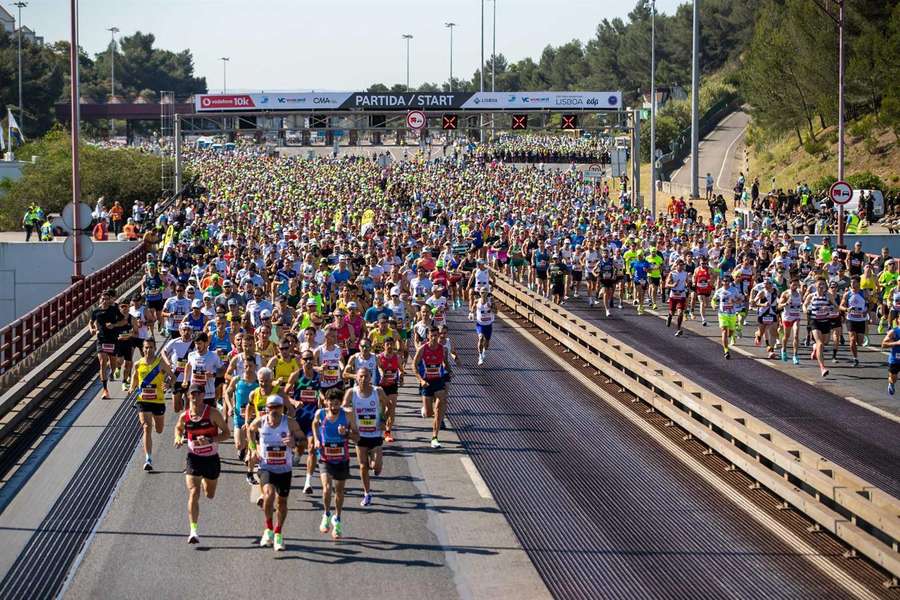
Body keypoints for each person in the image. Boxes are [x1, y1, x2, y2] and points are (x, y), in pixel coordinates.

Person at [174, 384, 230, 544]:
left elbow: (226, 433)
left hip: (211, 459)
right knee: (193, 492)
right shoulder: (184, 416)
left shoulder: (212, 413)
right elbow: (178, 428)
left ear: (203, 395)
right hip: (194, 458)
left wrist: (211, 440)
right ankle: (193, 531)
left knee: (209, 494)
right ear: (188, 396)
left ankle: (207, 481)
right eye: (192, 394)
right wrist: (177, 438)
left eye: (198, 394)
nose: (195, 397)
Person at [248, 394, 303, 552]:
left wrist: (295, 444)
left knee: (282, 503)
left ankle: (278, 533)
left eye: (277, 407)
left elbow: (303, 442)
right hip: (267, 467)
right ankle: (268, 529)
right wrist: (253, 449)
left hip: (285, 469)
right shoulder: (261, 422)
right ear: (266, 408)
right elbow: (250, 430)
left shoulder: (290, 423)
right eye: (271, 407)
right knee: (268, 494)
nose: (274, 410)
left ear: (282, 408)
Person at [312, 388, 359, 540]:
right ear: (326, 402)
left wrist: (346, 433)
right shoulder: (320, 414)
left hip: (341, 458)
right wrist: (318, 439)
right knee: (326, 489)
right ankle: (326, 514)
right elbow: (314, 425)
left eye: (337, 403)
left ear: (341, 403)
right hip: (325, 457)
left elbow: (357, 437)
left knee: (339, 492)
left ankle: (337, 519)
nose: (333, 406)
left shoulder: (348, 415)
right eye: (330, 403)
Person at [344, 367, 388, 507]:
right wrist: (349, 419)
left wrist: (383, 420)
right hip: (360, 435)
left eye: (366, 376)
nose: (363, 379)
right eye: (361, 376)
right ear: (356, 377)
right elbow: (343, 408)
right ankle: (367, 493)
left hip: (375, 434)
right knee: (363, 466)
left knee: (376, 467)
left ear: (370, 377)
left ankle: (376, 464)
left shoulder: (378, 391)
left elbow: (388, 406)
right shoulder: (351, 392)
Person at [131, 337, 173, 471]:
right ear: (143, 349)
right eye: (146, 348)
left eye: (151, 347)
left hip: (158, 401)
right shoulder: (138, 363)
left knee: (159, 430)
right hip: (143, 401)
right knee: (146, 427)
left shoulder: (160, 364)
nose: (148, 350)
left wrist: (168, 383)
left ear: (155, 348)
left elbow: (172, 376)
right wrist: (132, 387)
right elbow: (135, 376)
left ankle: (155, 422)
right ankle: (148, 458)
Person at [287, 350, 321, 493]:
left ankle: (308, 483)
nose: (308, 362)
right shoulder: (296, 375)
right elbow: (284, 394)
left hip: (312, 418)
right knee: (299, 445)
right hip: (297, 419)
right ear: (301, 360)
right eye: (305, 359)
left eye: (310, 359)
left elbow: (322, 394)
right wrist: (294, 402)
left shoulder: (318, 376)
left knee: (312, 448)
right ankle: (297, 454)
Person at [413, 326, 453, 448]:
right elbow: (414, 365)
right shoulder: (422, 349)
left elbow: (445, 362)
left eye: (436, 335)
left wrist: (450, 371)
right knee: (429, 412)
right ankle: (425, 410)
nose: (434, 338)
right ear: (428, 337)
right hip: (427, 382)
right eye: (432, 336)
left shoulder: (443, 349)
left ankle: (435, 437)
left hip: (438, 381)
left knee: (439, 406)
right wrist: (420, 380)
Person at [90, 288, 127, 399]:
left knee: (113, 363)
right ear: (100, 300)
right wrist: (91, 329)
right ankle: (105, 390)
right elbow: (91, 322)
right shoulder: (96, 311)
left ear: (109, 300)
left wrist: (114, 325)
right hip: (101, 339)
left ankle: (112, 372)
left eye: (107, 299)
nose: (105, 301)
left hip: (112, 339)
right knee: (102, 362)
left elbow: (124, 321)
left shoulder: (114, 310)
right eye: (103, 299)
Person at [803, 278, 834, 378]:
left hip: (826, 321)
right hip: (815, 321)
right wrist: (806, 310)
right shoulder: (811, 296)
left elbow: (836, 306)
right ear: (815, 286)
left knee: (825, 342)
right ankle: (822, 368)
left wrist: (829, 308)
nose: (821, 286)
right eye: (819, 284)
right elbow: (804, 305)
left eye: (823, 284)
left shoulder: (829, 296)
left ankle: (815, 348)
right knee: (820, 343)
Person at [841, 276, 867, 368]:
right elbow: (841, 306)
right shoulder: (847, 294)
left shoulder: (864, 293)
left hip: (861, 320)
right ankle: (855, 358)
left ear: (859, 283)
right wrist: (847, 309)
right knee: (852, 340)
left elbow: (871, 302)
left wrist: (866, 311)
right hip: (850, 319)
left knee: (859, 342)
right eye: (851, 282)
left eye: (854, 282)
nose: (852, 284)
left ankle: (858, 343)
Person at [712, 275, 738, 359]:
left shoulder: (734, 290)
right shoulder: (719, 291)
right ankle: (726, 351)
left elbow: (741, 299)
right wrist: (714, 305)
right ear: (722, 282)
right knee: (724, 331)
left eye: (728, 281)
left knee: (730, 333)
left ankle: (732, 334)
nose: (726, 282)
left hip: (732, 314)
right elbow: (714, 299)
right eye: (724, 281)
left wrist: (736, 301)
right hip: (722, 314)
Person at [665, 259, 688, 337]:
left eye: (682, 265)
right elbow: (666, 284)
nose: (681, 267)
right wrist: (673, 285)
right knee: (672, 312)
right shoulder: (672, 273)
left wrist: (688, 284)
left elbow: (687, 282)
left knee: (680, 313)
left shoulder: (685, 273)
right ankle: (669, 316)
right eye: (680, 265)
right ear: (676, 265)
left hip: (682, 294)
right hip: (673, 294)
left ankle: (679, 329)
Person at [474, 288, 495, 365]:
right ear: (480, 293)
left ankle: (483, 352)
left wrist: (491, 306)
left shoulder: (491, 301)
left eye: (485, 292)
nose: (484, 294)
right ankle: (480, 357)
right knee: (480, 338)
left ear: (487, 293)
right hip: (480, 324)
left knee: (487, 343)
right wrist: (471, 313)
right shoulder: (477, 301)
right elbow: (473, 307)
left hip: (488, 325)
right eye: (482, 292)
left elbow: (496, 311)